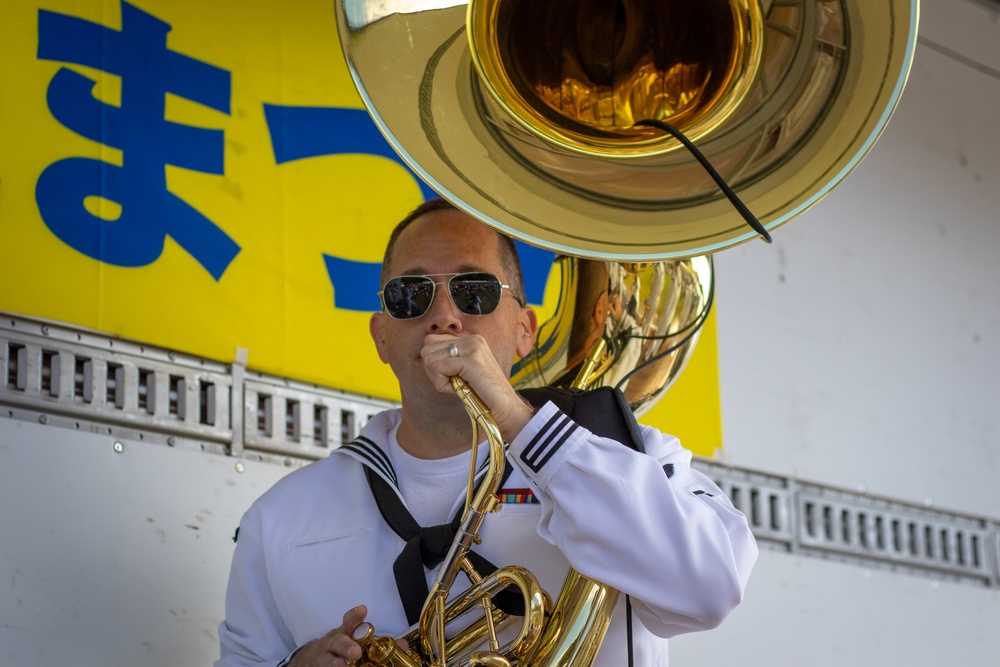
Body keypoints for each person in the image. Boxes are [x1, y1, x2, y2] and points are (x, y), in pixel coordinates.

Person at [216, 199, 757, 667]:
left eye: (474, 292)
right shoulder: (278, 516)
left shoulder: (634, 456)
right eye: (412, 295)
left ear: (525, 331)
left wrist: (520, 423)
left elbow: (711, 588)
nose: (446, 316)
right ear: (381, 337)